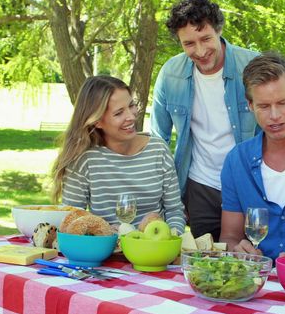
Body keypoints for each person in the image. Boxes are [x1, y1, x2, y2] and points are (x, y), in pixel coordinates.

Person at [150, 0, 259, 240]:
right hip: (200, 187)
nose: (200, 51)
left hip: (249, 185)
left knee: (251, 262)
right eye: (189, 43)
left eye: (205, 39)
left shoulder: (252, 66)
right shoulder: (170, 74)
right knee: (207, 267)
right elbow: (159, 140)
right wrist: (170, 197)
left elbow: (278, 126)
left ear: (218, 30)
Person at [51, 76, 185, 234]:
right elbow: (70, 220)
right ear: (97, 121)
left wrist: (171, 238)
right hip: (105, 252)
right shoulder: (83, 160)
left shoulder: (158, 150)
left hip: (155, 253)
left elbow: (175, 211)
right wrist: (105, 234)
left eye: (131, 105)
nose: (131, 116)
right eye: (119, 113)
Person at [219, 52, 285, 260]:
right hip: (256, 281)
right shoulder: (236, 161)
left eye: (282, 102)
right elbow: (229, 236)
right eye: (264, 106)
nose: (275, 115)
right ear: (250, 105)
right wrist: (236, 249)